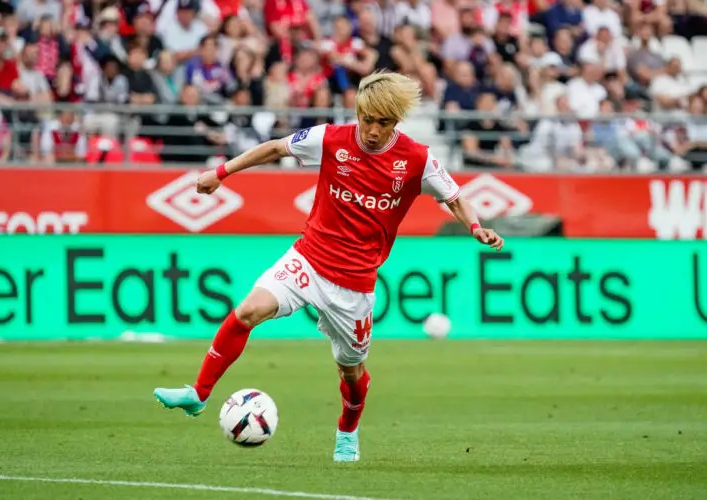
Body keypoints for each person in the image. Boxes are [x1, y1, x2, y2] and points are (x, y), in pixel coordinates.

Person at [153, 71, 505, 462]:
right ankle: (198, 394)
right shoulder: (330, 139)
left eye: (383, 123)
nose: (372, 130)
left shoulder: (417, 159)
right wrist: (221, 173)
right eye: (367, 119)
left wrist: (475, 228)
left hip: (354, 286)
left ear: (396, 122)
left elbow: (454, 197)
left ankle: (347, 432)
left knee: (351, 374)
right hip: (308, 257)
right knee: (248, 310)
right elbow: (274, 149)